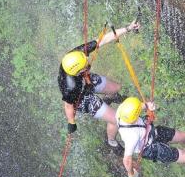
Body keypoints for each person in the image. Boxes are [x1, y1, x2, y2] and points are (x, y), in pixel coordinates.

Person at [58, 20, 140, 155]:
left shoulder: (76, 55)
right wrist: (71, 122)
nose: (88, 60)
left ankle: (109, 99)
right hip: (82, 99)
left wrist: (128, 28)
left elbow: (102, 40)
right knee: (117, 120)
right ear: (78, 71)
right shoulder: (70, 88)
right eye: (86, 64)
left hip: (86, 79)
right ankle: (111, 141)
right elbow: (68, 106)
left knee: (116, 88)